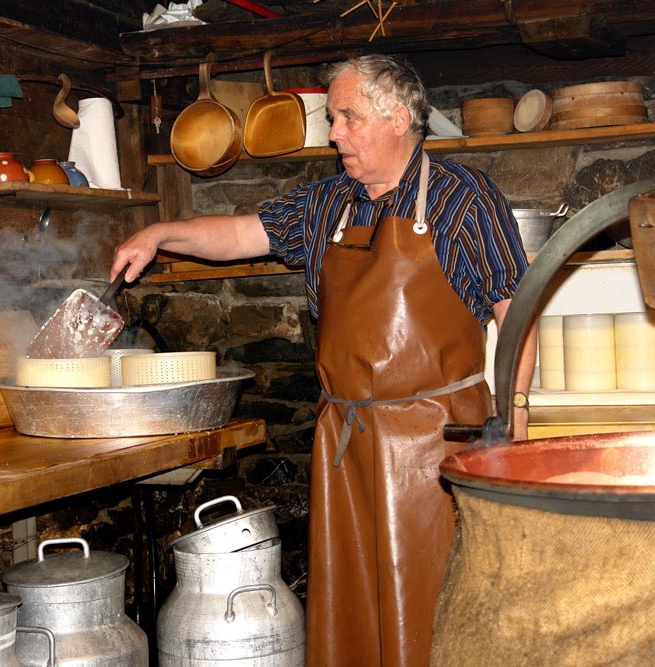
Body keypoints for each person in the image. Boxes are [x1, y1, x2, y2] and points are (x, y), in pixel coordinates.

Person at [111, 54, 536, 666]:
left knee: (436, 605)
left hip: (439, 445)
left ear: (397, 118)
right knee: (352, 606)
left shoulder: (461, 198)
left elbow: (516, 316)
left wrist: (513, 430)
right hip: (345, 442)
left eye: (346, 116)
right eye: (334, 118)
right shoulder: (326, 204)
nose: (333, 132)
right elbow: (235, 235)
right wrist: (160, 234)